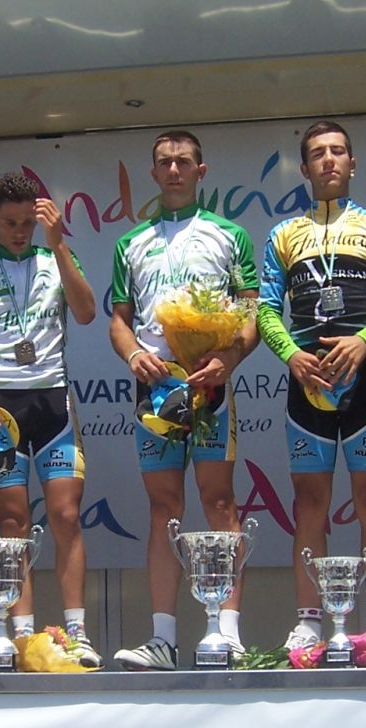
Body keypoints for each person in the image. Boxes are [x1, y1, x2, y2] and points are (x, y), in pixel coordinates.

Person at [258, 121, 366, 650]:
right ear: (304, 168)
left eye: (338, 151)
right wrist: (292, 355)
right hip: (308, 381)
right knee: (309, 503)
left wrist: (365, 341)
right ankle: (308, 621)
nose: (329, 160)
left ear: (353, 162)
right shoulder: (283, 234)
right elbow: (265, 310)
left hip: (363, 377)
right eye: (319, 154)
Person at [110, 130, 260, 670]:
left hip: (209, 385)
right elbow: (119, 321)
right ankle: (162, 640)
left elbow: (252, 314)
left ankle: (227, 633)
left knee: (220, 503)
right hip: (156, 389)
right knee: (162, 509)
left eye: (183, 161)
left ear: (201, 170)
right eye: (164, 162)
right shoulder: (130, 243)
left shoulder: (230, 235)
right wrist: (134, 355)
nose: (173, 170)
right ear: (153, 173)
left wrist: (229, 359)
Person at [0, 172, 100, 666]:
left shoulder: (56, 259)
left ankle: (76, 633)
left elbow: (86, 312)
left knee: (66, 516)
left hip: (53, 405)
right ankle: (23, 637)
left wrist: (58, 244)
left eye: (26, 223)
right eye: (9, 222)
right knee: (13, 523)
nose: (18, 232)